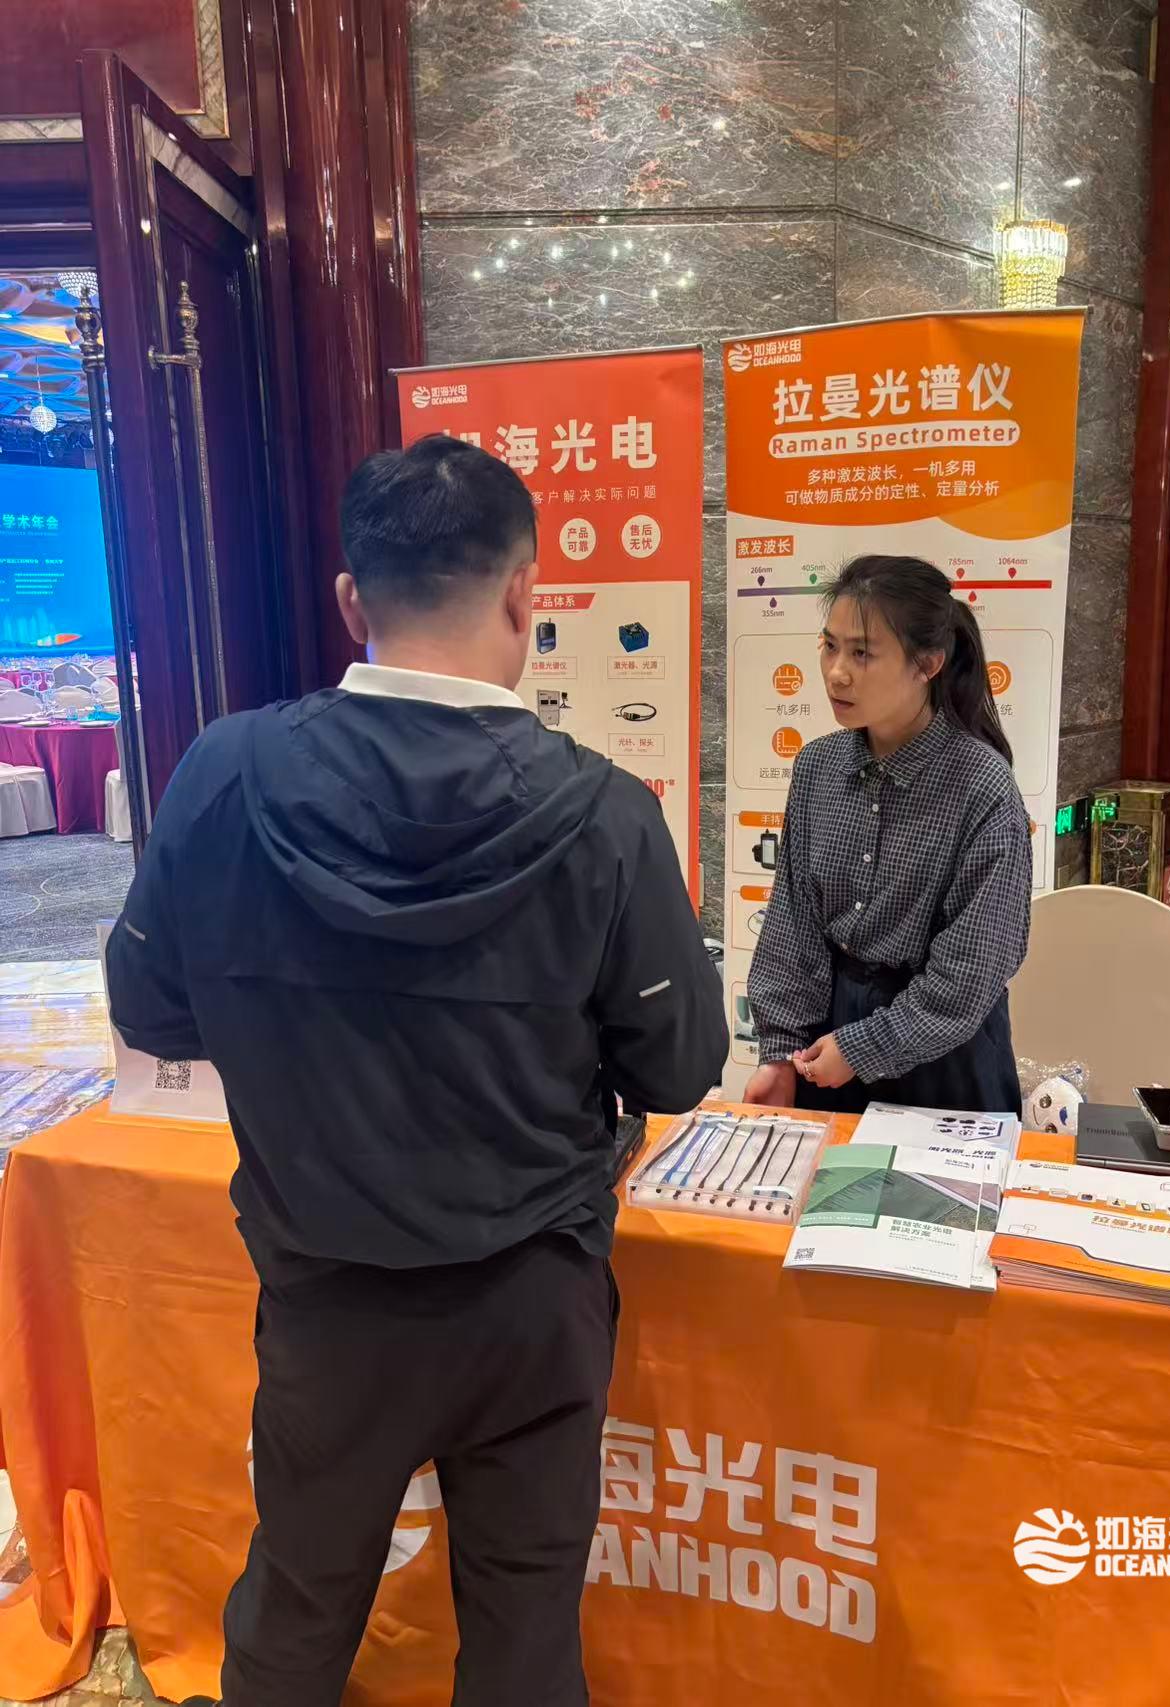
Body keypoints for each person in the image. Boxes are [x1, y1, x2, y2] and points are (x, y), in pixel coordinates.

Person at [105, 433, 727, 1707]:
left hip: (328, 1294)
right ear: (523, 594)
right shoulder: (607, 812)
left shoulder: (224, 771)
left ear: (353, 599)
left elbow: (151, 1008)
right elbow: (675, 1065)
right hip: (531, 1299)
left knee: (298, 1606)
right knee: (523, 1629)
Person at [744, 554, 1031, 1116]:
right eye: (829, 646)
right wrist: (778, 1051)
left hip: (945, 1054)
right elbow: (792, 922)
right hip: (828, 1043)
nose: (836, 672)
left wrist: (864, 1047)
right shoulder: (817, 767)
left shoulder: (982, 786)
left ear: (928, 663)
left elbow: (971, 970)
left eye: (862, 653)